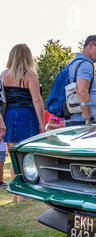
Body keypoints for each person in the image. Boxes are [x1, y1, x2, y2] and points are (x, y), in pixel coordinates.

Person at [2, 44, 45, 202]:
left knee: (14, 155)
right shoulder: (30, 76)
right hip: (26, 116)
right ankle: (25, 195)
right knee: (27, 155)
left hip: (9, 115)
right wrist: (42, 123)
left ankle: (16, 193)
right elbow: (37, 100)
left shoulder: (3, 74)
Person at [65, 35, 96, 127]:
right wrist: (89, 119)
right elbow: (82, 91)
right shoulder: (86, 65)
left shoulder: (72, 63)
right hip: (83, 122)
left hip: (71, 119)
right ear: (91, 45)